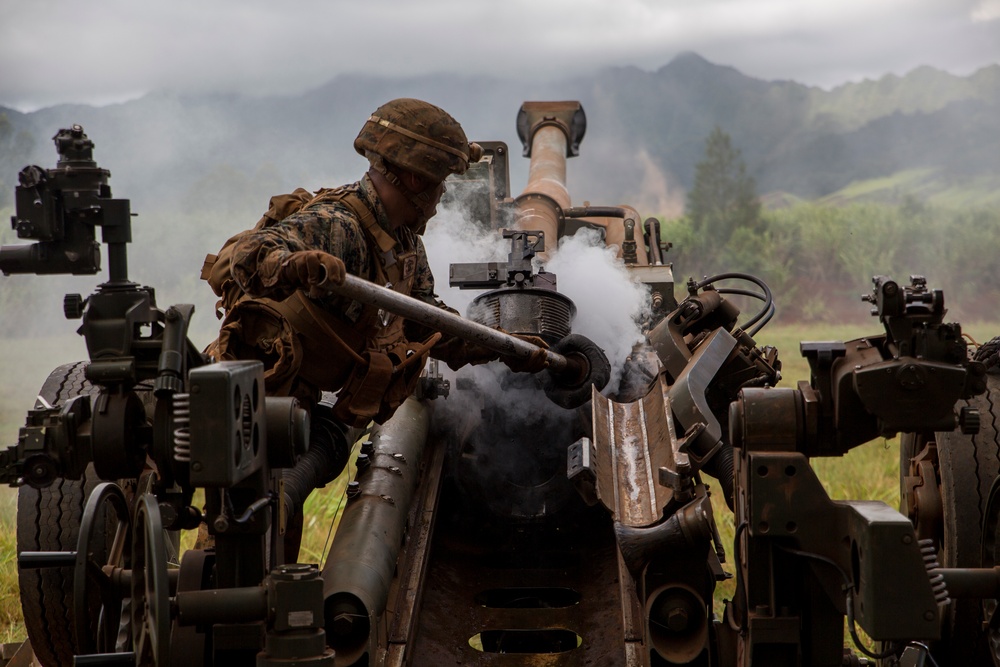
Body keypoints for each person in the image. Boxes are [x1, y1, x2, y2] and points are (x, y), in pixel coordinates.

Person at [203, 98, 536, 558]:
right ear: (416, 179)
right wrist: (291, 263)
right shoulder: (337, 226)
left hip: (297, 425)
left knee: (276, 541)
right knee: (237, 552)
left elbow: (427, 322)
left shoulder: (404, 248)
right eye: (439, 186)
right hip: (251, 415)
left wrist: (505, 347)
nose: (441, 200)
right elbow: (248, 255)